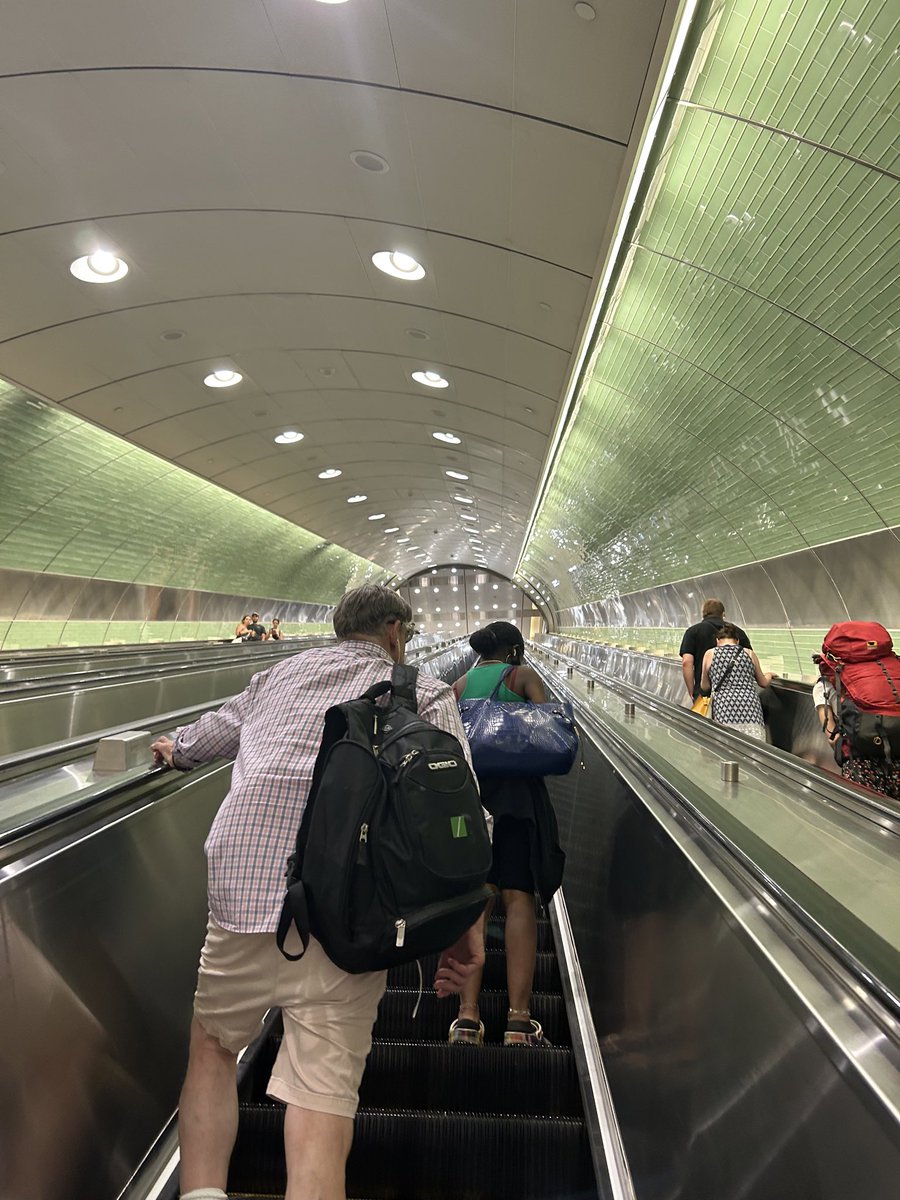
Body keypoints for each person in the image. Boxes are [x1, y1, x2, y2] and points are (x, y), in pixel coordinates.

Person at [149, 585, 484, 1200]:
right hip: (351, 917)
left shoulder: (275, 676)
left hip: (243, 902)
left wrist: (175, 749)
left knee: (215, 1049)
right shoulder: (425, 694)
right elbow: (463, 826)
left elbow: (209, 736)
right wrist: (467, 933)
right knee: (321, 1098)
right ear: (393, 633)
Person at [449, 622, 565, 1048]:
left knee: (477, 899)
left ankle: (467, 1017)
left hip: (470, 802)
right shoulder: (522, 676)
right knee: (518, 898)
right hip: (517, 801)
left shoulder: (458, 684)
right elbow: (552, 733)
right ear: (514, 648)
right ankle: (518, 1021)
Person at [699, 623, 771, 740]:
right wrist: (769, 675)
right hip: (750, 705)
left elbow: (705, 686)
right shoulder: (749, 653)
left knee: (727, 743)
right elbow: (763, 682)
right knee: (754, 745)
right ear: (737, 641)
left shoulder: (710, 654)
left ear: (718, 640)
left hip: (724, 705)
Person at [680, 598, 752, 702]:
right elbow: (750, 660)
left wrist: (692, 691)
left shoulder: (693, 632)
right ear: (723, 614)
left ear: (703, 614)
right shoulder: (738, 632)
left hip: (704, 695)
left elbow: (686, 662)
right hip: (740, 698)